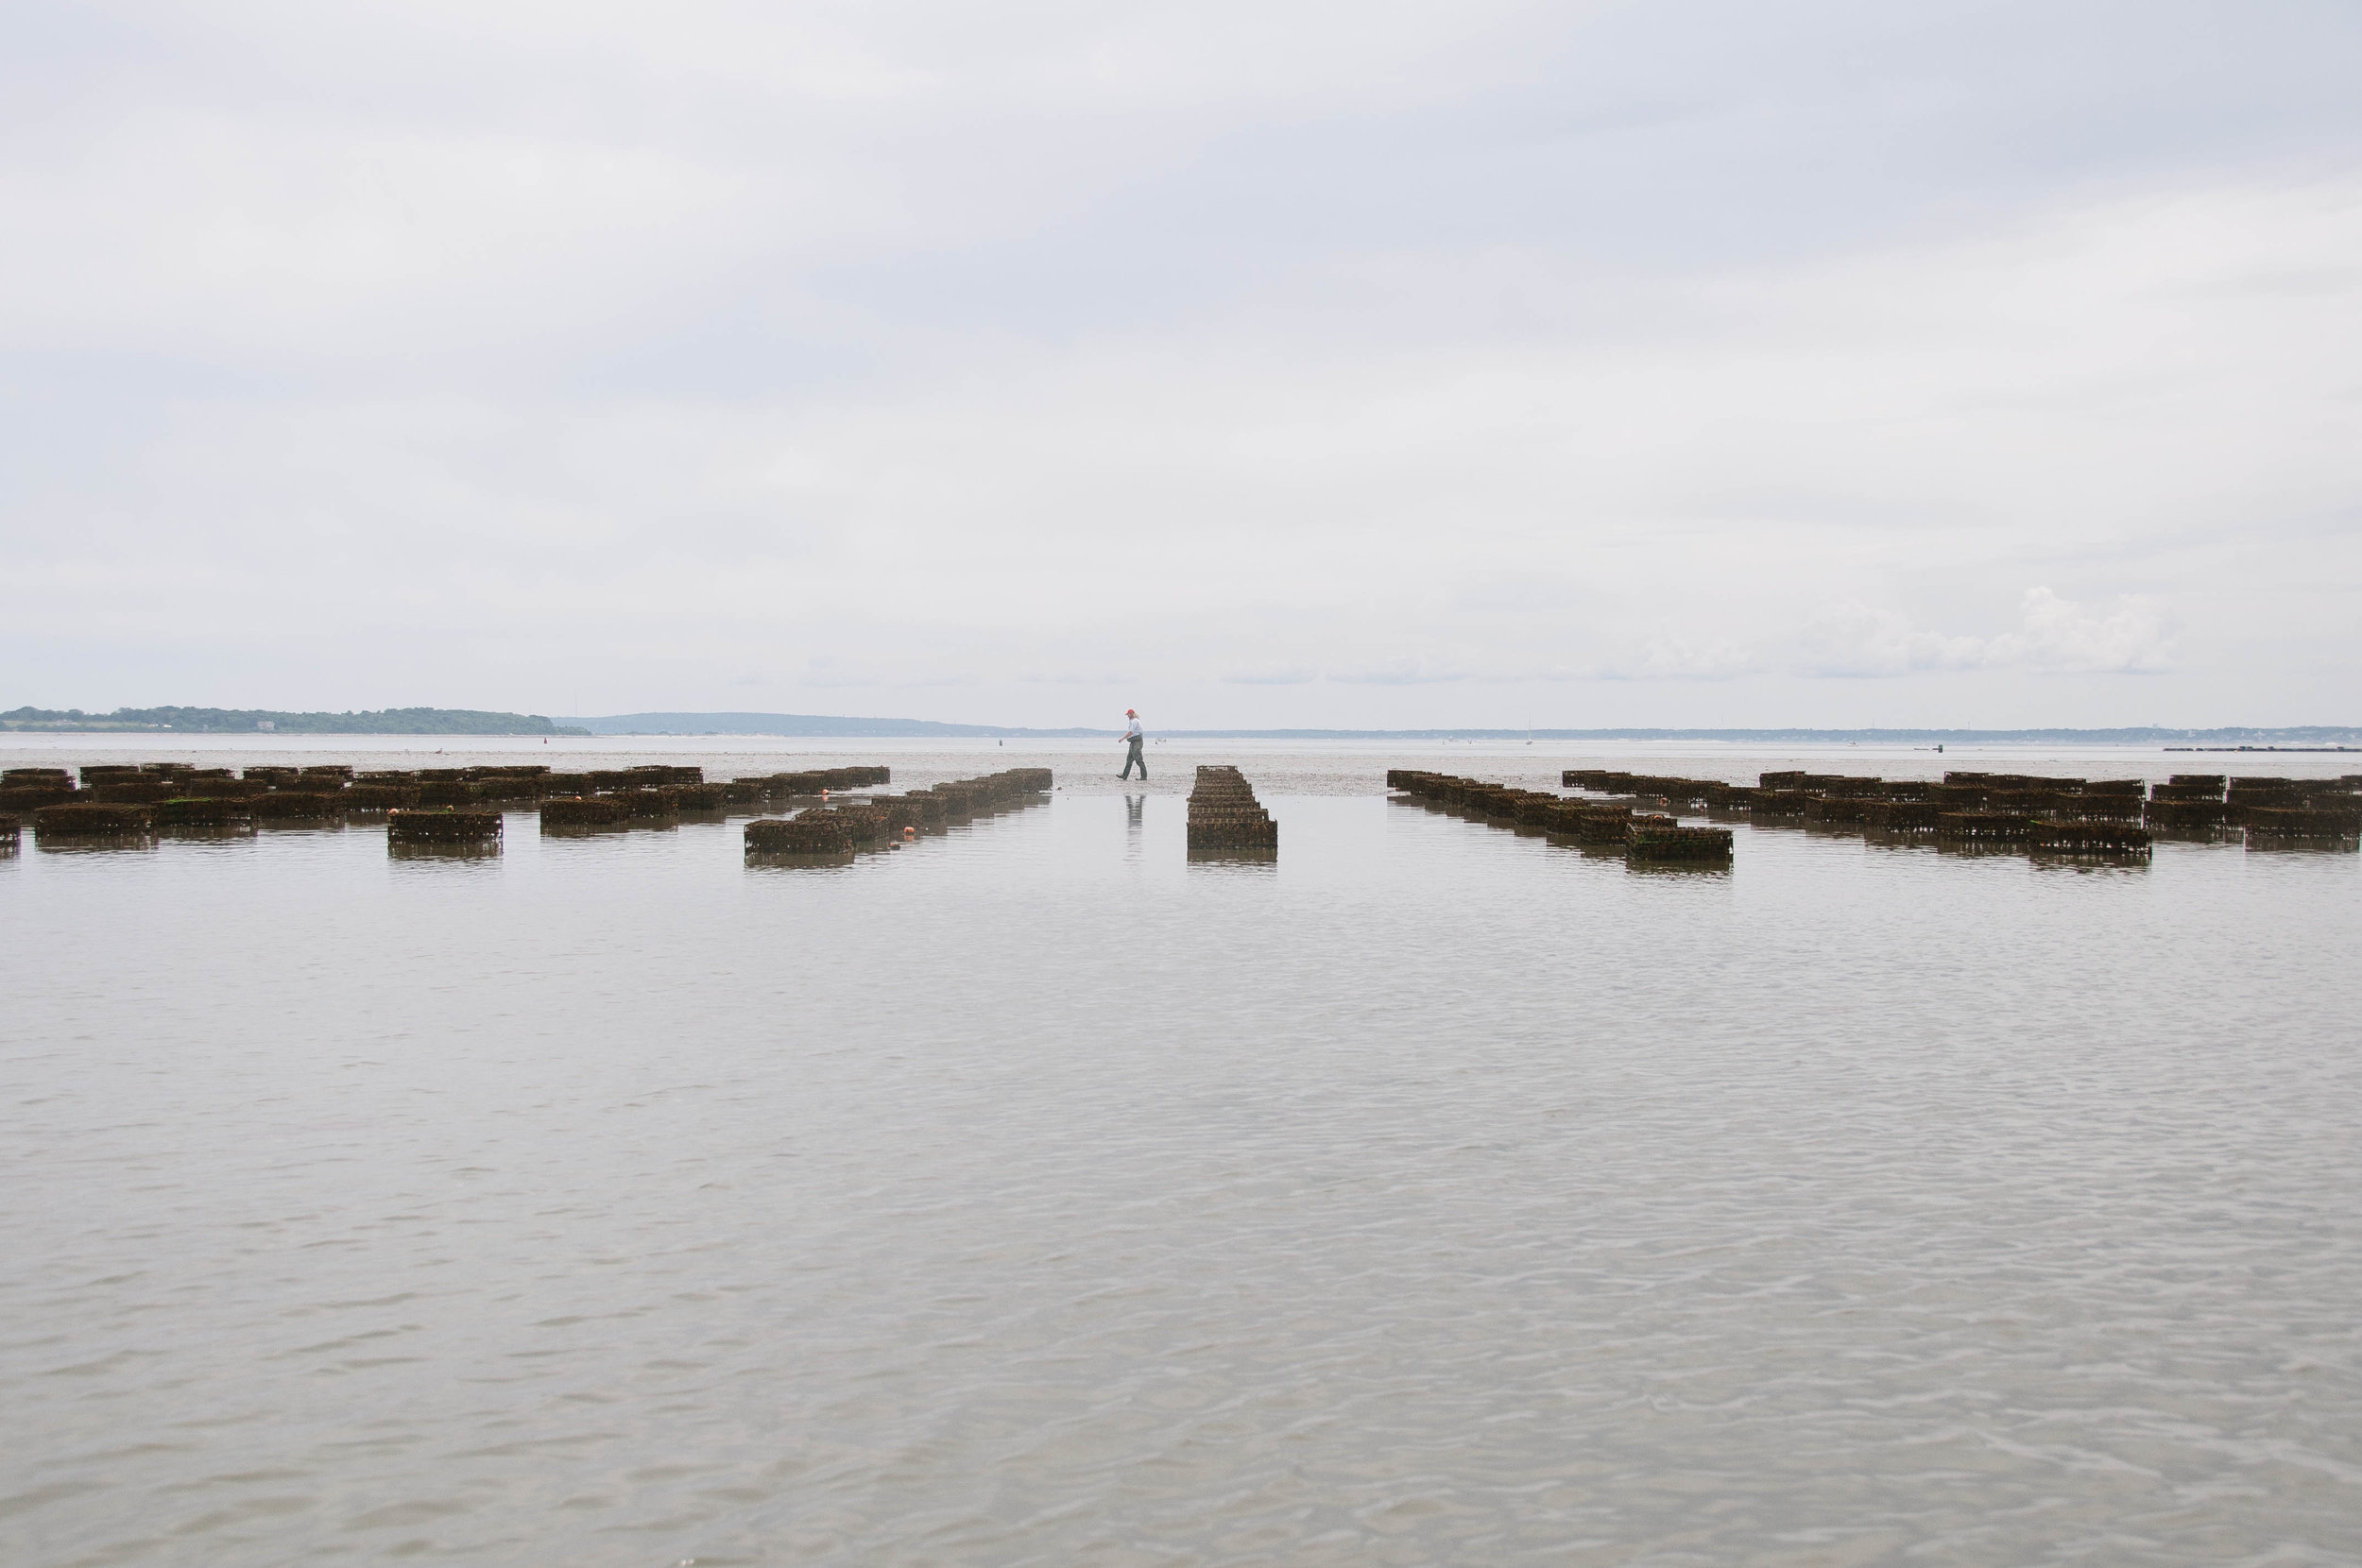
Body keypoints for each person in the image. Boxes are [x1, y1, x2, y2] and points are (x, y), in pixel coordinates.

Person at [1120, 709, 1146, 780]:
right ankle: (1124, 775)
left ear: (1131, 714)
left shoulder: (1135, 721)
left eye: (1128, 714)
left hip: (1137, 741)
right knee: (1129, 760)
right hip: (1133, 742)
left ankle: (1144, 777)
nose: (1127, 716)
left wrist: (1122, 738)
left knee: (1139, 759)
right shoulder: (1131, 721)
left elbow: (1131, 732)